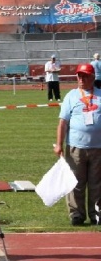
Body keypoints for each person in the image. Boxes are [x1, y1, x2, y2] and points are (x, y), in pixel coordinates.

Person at [53, 63, 101, 226]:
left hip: (98, 148)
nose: (82, 79)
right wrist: (59, 145)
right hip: (75, 147)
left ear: (93, 77)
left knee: (97, 184)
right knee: (75, 182)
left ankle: (96, 214)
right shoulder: (71, 96)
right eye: (79, 76)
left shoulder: (100, 95)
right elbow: (63, 122)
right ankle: (76, 214)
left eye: (85, 75)